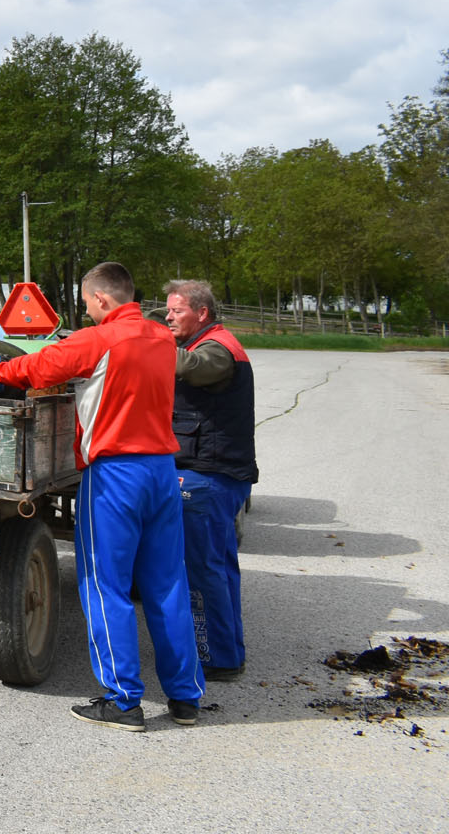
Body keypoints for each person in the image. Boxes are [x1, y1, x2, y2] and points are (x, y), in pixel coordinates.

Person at [0, 262, 205, 730]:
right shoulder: (164, 339)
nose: (86, 310)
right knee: (166, 585)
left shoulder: (97, 338)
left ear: (102, 300)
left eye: (86, 303)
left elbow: (41, 368)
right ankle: (185, 697)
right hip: (163, 471)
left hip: (116, 473)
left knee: (106, 586)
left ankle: (123, 701)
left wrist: (0, 371)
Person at [164, 278, 257, 683]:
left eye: (176, 311)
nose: (168, 317)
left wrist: (145, 340)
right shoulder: (209, 340)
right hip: (215, 471)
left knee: (202, 569)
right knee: (218, 566)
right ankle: (228, 649)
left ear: (202, 313)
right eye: (167, 311)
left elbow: (190, 368)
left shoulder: (218, 349)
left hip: (210, 475)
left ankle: (218, 657)